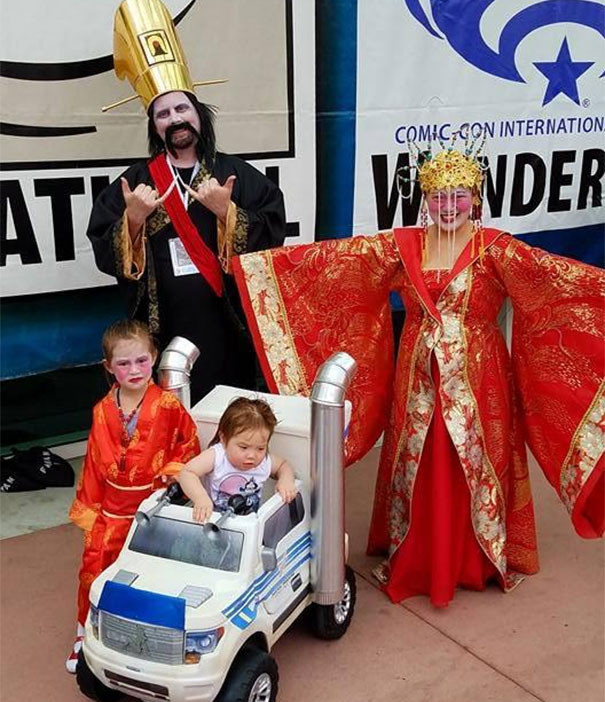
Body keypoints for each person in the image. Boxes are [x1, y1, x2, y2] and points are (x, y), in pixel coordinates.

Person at [231, 136, 604, 608]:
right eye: (438, 196)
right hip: (418, 375)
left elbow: (558, 282)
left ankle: (477, 559)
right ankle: (417, 557)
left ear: (477, 197)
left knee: (470, 460)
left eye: (459, 194)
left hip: (479, 377)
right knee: (420, 458)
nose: (449, 205)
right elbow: (336, 264)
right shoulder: (402, 246)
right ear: (425, 200)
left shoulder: (498, 250)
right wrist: (258, 266)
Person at [87, 0, 286, 404]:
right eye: (163, 113)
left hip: (226, 319)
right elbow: (105, 249)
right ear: (154, 126)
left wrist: (227, 212)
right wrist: (134, 221)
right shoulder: (135, 183)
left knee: (232, 408)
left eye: (182, 108)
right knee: (174, 407)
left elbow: (273, 232)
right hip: (164, 322)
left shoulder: (236, 173)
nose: (175, 118)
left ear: (199, 114)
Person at [66, 319, 200, 673]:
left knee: (151, 575)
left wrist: (168, 477)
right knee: (94, 570)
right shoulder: (101, 411)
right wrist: (91, 513)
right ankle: (86, 633)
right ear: (108, 367)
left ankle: (148, 639)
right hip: (110, 508)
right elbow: (94, 463)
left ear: (154, 357)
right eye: (123, 364)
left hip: (151, 507)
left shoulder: (167, 405)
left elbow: (188, 444)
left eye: (141, 360)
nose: (134, 370)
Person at [179, 397, 297, 523]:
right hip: (213, 522)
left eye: (260, 448)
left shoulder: (263, 462)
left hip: (249, 526)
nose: (252, 455)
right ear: (224, 439)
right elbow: (187, 473)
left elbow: (283, 465)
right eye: (244, 447)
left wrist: (286, 480)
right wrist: (200, 498)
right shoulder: (217, 456)